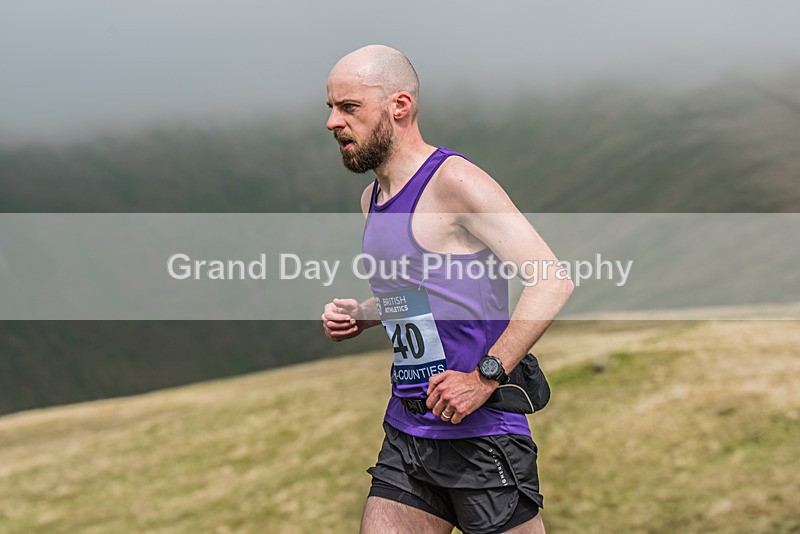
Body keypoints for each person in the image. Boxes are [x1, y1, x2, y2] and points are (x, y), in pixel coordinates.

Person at [321, 45, 573, 534]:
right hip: (408, 430)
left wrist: (484, 377)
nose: (333, 122)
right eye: (331, 108)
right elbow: (419, 293)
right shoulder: (371, 198)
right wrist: (365, 314)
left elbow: (550, 278)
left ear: (399, 106)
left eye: (348, 107)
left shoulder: (455, 181)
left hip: (481, 435)